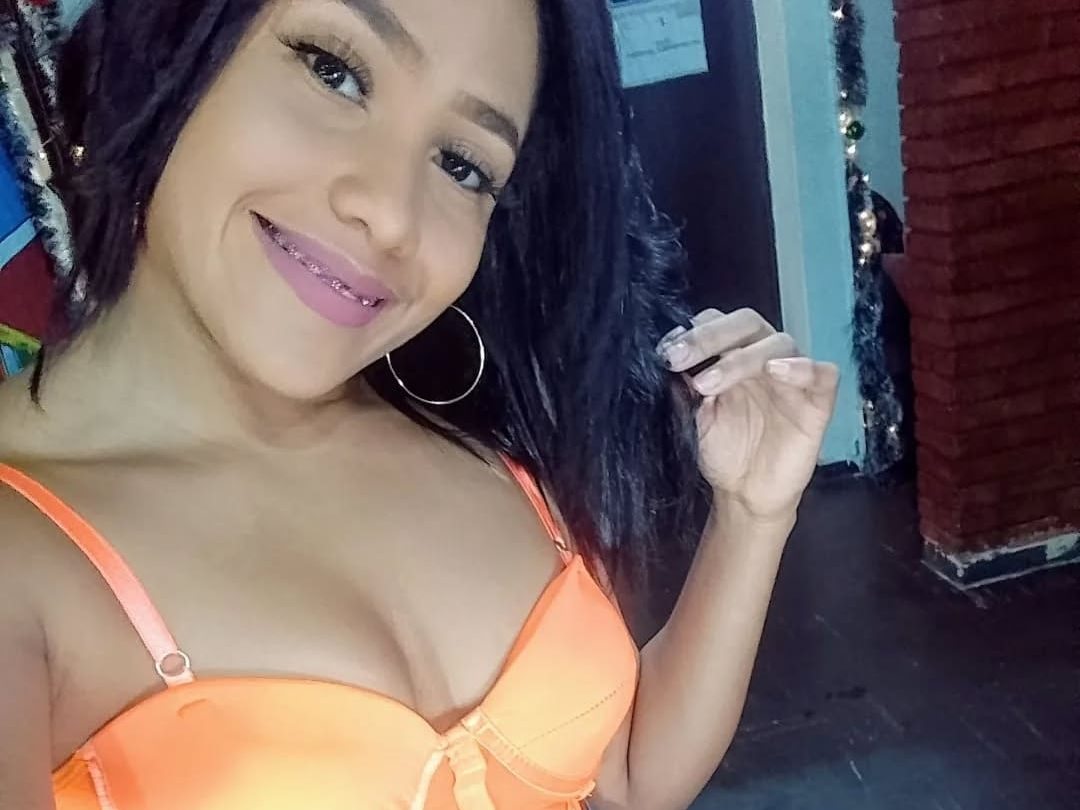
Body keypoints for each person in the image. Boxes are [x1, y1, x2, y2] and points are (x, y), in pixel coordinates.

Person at [0, 0, 839, 808]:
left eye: (462, 164)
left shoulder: (488, 445)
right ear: (172, 47)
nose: (391, 215)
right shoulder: (22, 553)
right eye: (334, 71)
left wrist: (753, 515)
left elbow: (623, 777)